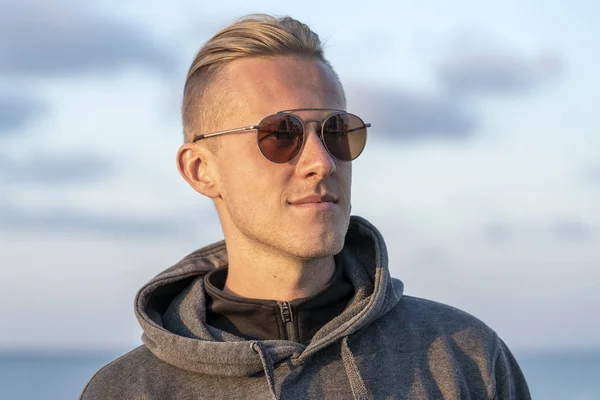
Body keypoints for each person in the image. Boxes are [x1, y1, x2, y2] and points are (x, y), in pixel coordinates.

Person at [80, 14, 531, 400]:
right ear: (201, 169)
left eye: (336, 131)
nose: (321, 161)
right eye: (280, 134)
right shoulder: (127, 390)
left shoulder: (464, 358)